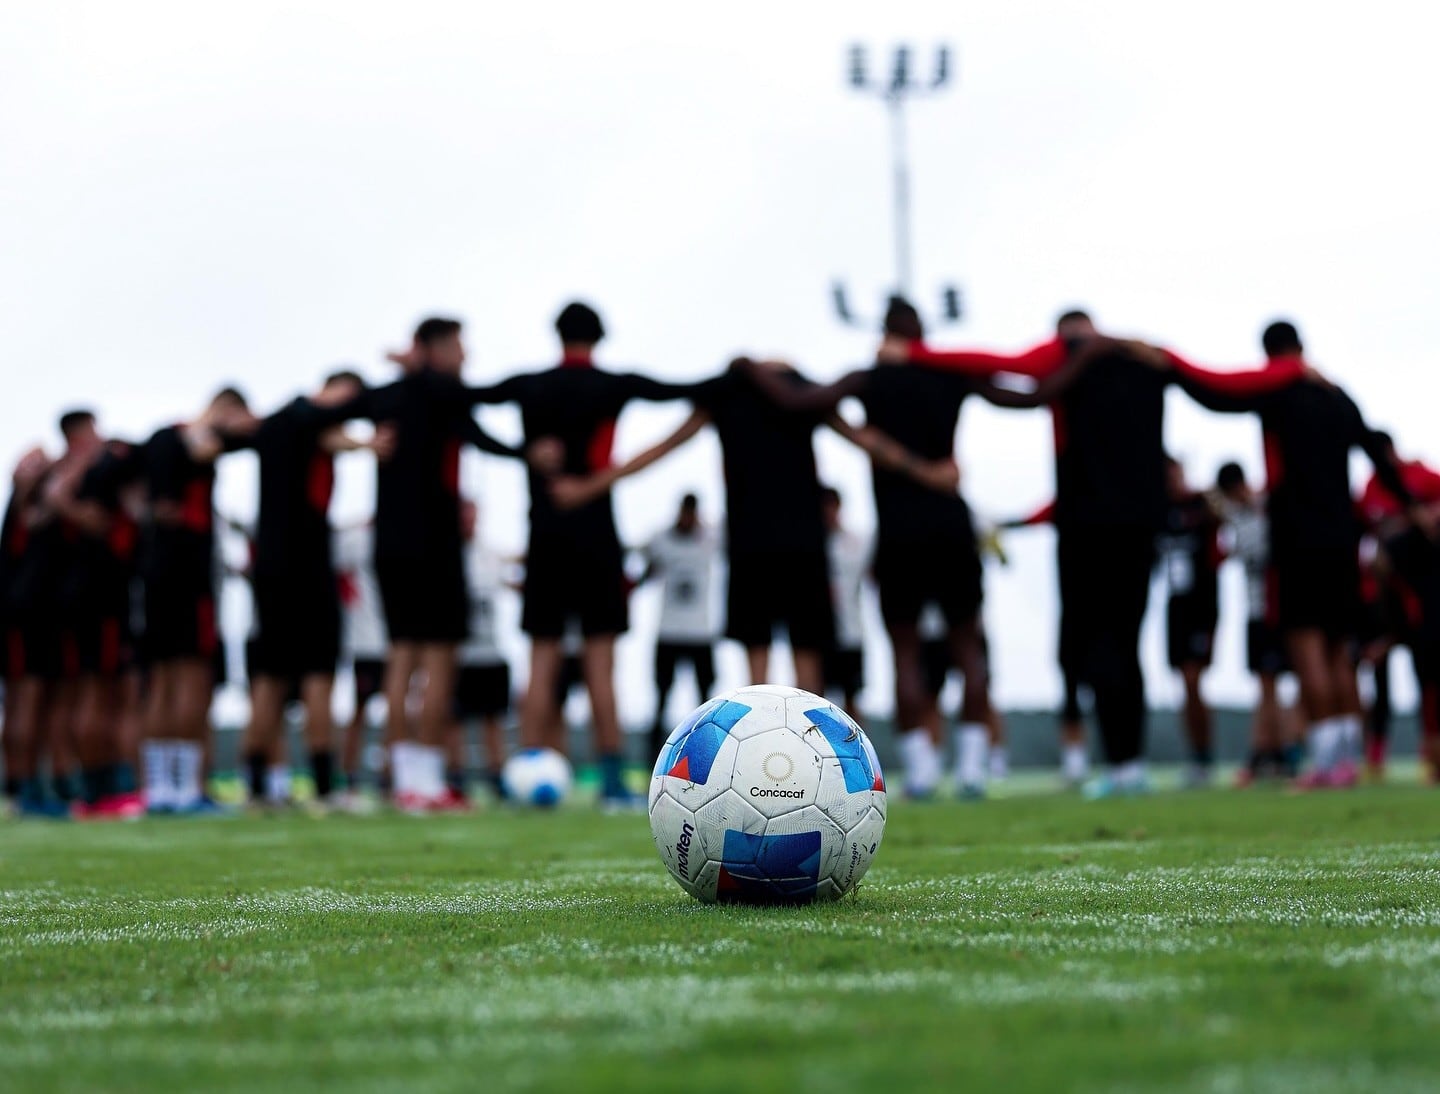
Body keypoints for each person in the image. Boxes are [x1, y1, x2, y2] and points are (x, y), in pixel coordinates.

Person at [904, 310, 1306, 797]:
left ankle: (1118, 764)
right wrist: (1296, 370)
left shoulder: (1068, 352)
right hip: (1139, 530)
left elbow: (1001, 364)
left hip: (1085, 530)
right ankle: (1129, 764)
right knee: (1126, 644)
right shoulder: (1146, 356)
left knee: (1093, 647)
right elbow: (1219, 386)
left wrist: (914, 353)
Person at [466, 301, 709, 808]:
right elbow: (692, 391)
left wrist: (520, 452)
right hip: (598, 540)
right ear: (600, 336)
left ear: (556, 334)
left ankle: (526, 772)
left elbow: (458, 402)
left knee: (542, 662)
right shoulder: (612, 385)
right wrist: (603, 481)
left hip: (546, 540)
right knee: (601, 666)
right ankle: (614, 782)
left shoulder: (529, 385)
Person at [1163, 320, 1424, 788]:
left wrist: (1167, 362)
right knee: (1340, 652)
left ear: (1269, 354)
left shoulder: (1279, 387)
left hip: (1297, 537)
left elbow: (1218, 392)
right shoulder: (1336, 395)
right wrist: (1412, 505)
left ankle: (1325, 764)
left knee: (1308, 649)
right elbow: (1377, 456)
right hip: (1341, 538)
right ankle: (1347, 761)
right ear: (1302, 345)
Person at [367, 316, 530, 812]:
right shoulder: (444, 394)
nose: (465, 356)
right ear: (432, 349)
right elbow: (484, 422)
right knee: (436, 660)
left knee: (401, 660)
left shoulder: (394, 395)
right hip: (433, 547)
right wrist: (530, 455)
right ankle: (427, 779)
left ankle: (405, 781)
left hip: (391, 546)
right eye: (458, 346)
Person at [236, 370, 383, 814]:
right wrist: (366, 444)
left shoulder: (279, 424)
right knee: (317, 674)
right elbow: (330, 434)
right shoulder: (304, 417)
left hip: (273, 570)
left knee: (271, 678)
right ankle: (323, 787)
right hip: (305, 569)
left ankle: (257, 789)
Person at [137, 386, 256, 815]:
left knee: (163, 683)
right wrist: (225, 427)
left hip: (156, 572)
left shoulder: (161, 439)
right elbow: (204, 448)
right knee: (190, 678)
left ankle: (160, 789)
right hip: (186, 573)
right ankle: (184, 787)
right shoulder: (188, 437)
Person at [1356, 433, 1440, 777]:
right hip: (1391, 594)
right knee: (1382, 678)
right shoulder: (1370, 488)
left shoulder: (1421, 476)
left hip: (1426, 589)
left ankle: (1430, 750)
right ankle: (1376, 754)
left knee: (1430, 680)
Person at [1216, 461, 1298, 783]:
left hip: (1273, 610)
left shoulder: (1265, 511)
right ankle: (1272, 752)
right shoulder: (1237, 518)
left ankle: (1277, 751)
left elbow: (1256, 549)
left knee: (1273, 685)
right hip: (1255, 611)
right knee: (1266, 686)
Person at [999, 500, 1090, 786]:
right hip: (1074, 606)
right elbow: (1036, 516)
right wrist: (1003, 524)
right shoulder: (1070, 503)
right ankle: (1076, 760)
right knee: (1071, 679)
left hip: (1108, 608)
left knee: (1111, 678)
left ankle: (1124, 762)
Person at [638, 493, 720, 760]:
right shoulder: (660, 539)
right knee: (661, 698)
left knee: (706, 701)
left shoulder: (710, 537)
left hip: (701, 634)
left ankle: (705, 754)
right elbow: (647, 570)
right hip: (669, 633)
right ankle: (654, 758)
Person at [1158, 456, 1223, 787]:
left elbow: (1223, 514)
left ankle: (1204, 754)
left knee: (1194, 678)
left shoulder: (1201, 506)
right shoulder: (1157, 511)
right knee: (1183, 682)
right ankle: (1196, 755)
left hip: (1202, 606)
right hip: (1175, 607)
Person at [450, 500, 515, 803]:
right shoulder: (444, 554)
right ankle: (456, 778)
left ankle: (496, 778)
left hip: (491, 653)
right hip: (460, 656)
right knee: (455, 721)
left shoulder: (490, 554)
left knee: (493, 720)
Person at [334, 519, 387, 801]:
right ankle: (349, 777)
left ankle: (392, 778)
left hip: (390, 642)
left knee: (401, 708)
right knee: (360, 712)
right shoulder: (359, 539)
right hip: (368, 643)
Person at [821, 486, 870, 724]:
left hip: (850, 633)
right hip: (818, 636)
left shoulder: (856, 542)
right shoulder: (808, 545)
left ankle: (859, 754)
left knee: (852, 699)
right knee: (814, 699)